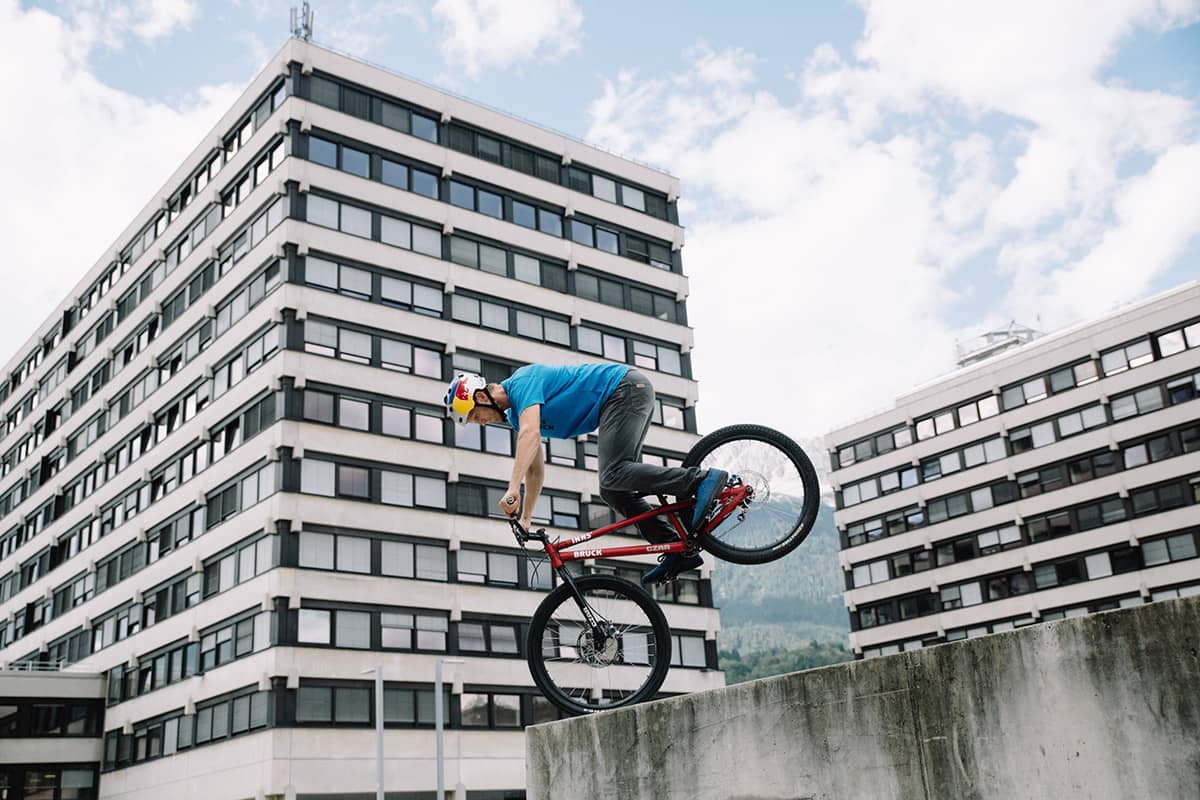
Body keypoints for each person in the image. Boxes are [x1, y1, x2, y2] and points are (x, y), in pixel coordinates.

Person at [444, 364, 727, 584]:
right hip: (620, 399)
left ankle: (700, 480)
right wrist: (526, 517)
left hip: (624, 390)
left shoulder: (521, 382)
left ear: (481, 397)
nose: (479, 424)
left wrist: (511, 489)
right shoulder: (519, 416)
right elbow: (535, 468)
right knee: (612, 489)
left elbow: (531, 435)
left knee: (613, 473)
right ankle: (674, 548)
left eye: (473, 415)